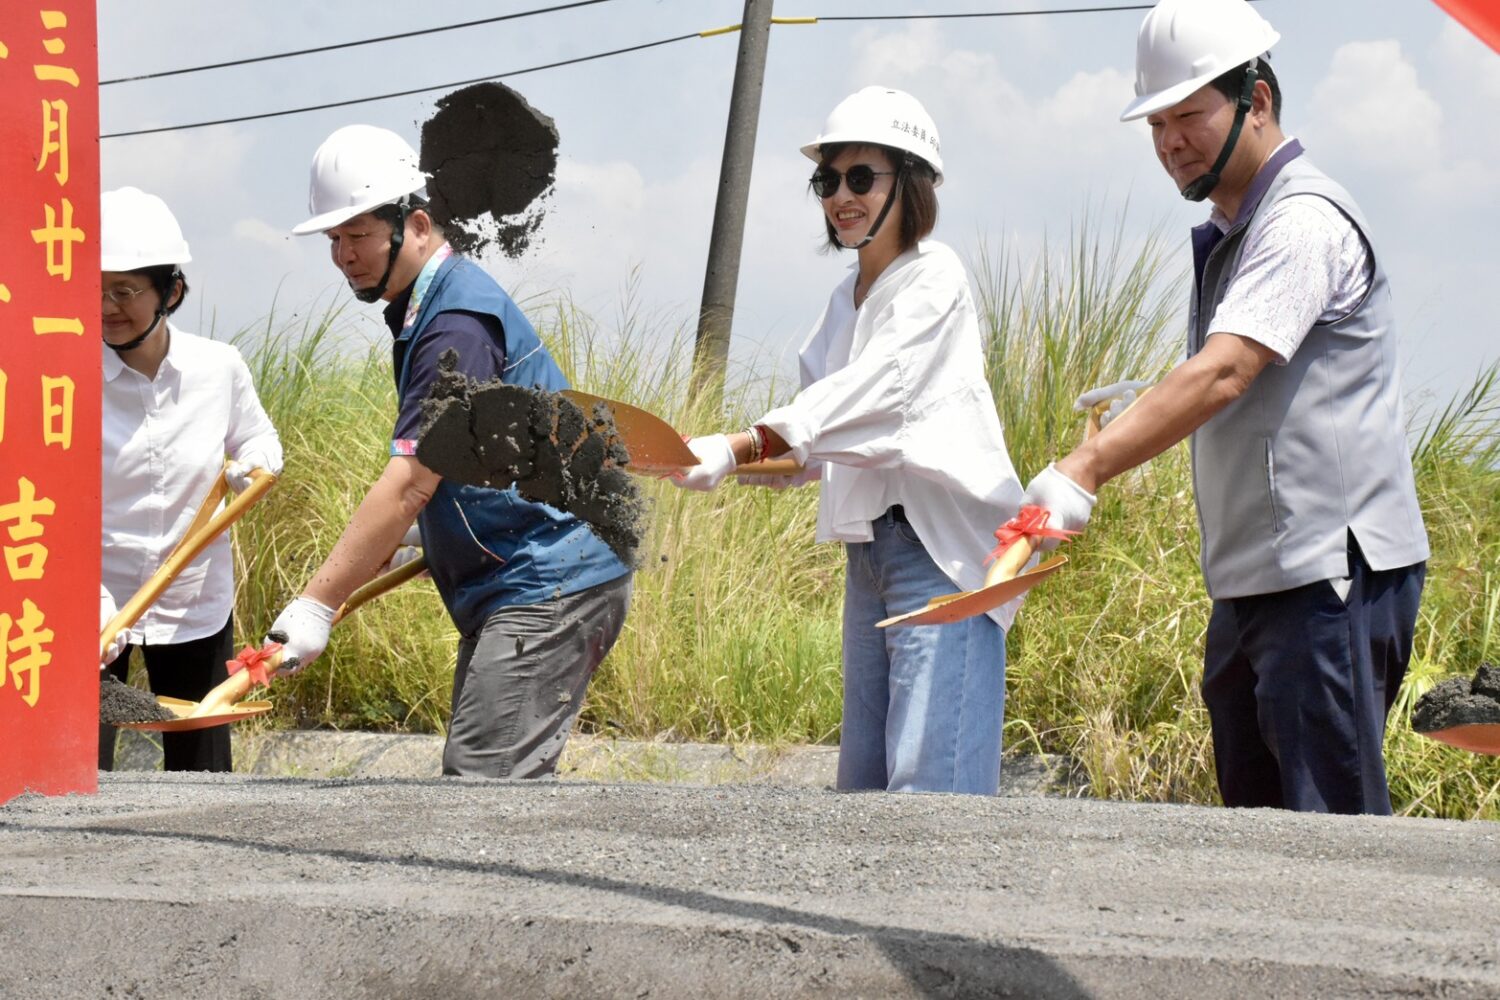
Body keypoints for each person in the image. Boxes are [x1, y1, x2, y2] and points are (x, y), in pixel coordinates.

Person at [1022, 0, 1429, 814]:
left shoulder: (1301, 220)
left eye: (1189, 116)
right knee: (1258, 837)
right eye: (1156, 124)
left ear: (1258, 101)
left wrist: (1086, 467)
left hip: (1326, 577)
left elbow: (1226, 372)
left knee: (1331, 836)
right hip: (1256, 582)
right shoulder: (1235, 231)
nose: (1170, 142)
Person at [670, 88, 1024, 795]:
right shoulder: (844, 300)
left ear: (911, 182)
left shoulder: (934, 279)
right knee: (863, 791)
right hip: (871, 555)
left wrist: (739, 445)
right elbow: (814, 443)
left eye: (861, 177)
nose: (840, 197)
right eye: (827, 181)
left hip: (939, 555)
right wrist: (711, 460)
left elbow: (872, 392)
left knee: (931, 795)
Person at [273, 125, 632, 778]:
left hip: (550, 574)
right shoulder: (430, 306)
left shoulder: (455, 325)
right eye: (334, 240)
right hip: (522, 572)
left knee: (479, 787)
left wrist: (318, 603)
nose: (344, 256)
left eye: (358, 235)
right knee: (483, 783)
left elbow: (412, 478)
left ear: (414, 224)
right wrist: (429, 532)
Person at [98, 186, 284, 772]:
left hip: (193, 603)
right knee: (79, 773)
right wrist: (85, 600)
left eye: (124, 290)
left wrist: (254, 465)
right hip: (96, 603)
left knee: (203, 774)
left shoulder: (217, 367)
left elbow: (258, 439)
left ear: (171, 291)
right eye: (94, 290)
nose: (106, 306)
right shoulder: (66, 378)